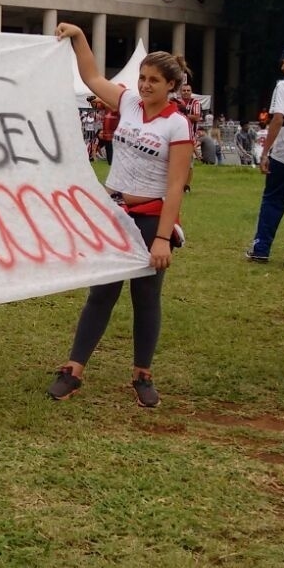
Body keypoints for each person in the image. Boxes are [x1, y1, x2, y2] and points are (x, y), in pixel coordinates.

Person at [48, 23, 192, 408]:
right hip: (115, 213)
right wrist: (79, 36)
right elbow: (93, 76)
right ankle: (74, 369)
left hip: (150, 219)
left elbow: (176, 185)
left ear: (170, 86)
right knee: (101, 293)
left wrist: (163, 237)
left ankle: (142, 374)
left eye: (154, 81)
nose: (145, 86)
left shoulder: (178, 124)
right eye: (143, 78)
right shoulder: (128, 102)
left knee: (146, 298)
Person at [245, 44, 284, 268]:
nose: (282, 67)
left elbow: (278, 118)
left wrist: (265, 152)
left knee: (273, 200)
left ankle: (261, 248)